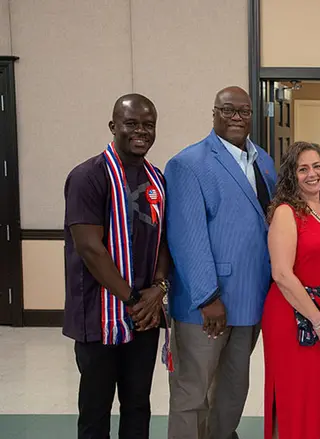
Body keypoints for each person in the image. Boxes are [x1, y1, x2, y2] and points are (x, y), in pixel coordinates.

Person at [165, 86, 277, 439]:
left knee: (231, 391)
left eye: (243, 111)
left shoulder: (264, 162)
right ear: (214, 113)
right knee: (192, 392)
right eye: (227, 111)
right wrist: (207, 297)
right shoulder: (188, 163)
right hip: (205, 305)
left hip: (250, 300)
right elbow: (186, 237)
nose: (236, 118)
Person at [63, 93, 170, 439]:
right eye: (132, 124)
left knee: (138, 404)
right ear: (113, 126)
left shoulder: (157, 180)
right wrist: (135, 298)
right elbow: (90, 249)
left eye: (148, 125)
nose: (141, 131)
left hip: (144, 317)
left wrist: (158, 287)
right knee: (95, 410)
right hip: (99, 315)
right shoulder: (88, 177)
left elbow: (165, 239)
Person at [262, 141, 320, 439]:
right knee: (294, 396)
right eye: (303, 169)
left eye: (317, 166)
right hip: (292, 316)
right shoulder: (286, 213)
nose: (312, 174)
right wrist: (317, 320)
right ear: (292, 175)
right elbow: (281, 274)